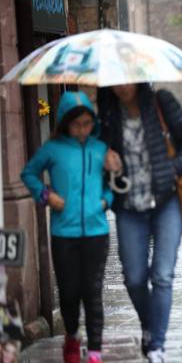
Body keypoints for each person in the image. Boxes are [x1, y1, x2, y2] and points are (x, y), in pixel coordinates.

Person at [97, 83, 182, 363]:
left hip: (167, 203)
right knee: (133, 277)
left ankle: (157, 345)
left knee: (163, 275)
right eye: (116, 81)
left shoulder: (161, 101)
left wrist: (173, 169)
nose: (122, 87)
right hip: (129, 207)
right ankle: (149, 325)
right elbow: (95, 151)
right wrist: (103, 157)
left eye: (127, 79)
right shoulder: (107, 111)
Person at [21, 91, 113, 363]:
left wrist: (105, 201)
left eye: (86, 123)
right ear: (64, 122)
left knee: (93, 293)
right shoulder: (53, 149)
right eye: (76, 124)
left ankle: (95, 350)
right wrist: (46, 195)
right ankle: (72, 337)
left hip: (97, 233)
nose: (82, 129)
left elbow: (113, 186)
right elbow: (28, 173)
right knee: (70, 293)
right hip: (64, 234)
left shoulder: (100, 149)